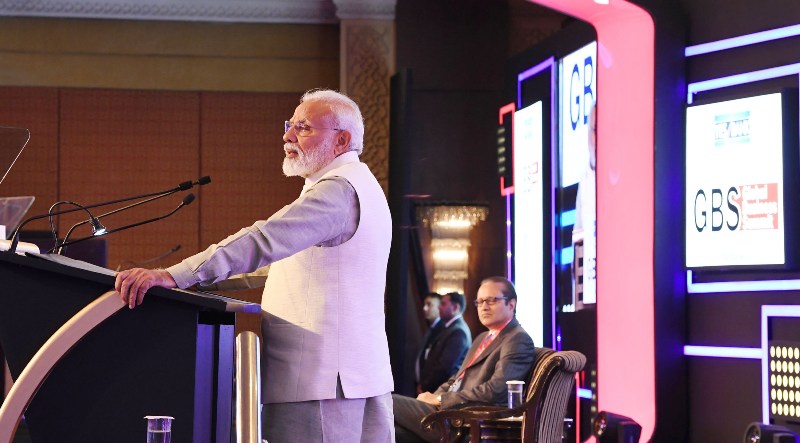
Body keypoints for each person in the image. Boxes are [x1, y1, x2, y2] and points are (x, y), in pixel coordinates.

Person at [114, 89, 395, 442]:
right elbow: (290, 263)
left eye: (304, 128)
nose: (287, 136)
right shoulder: (362, 185)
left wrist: (176, 274)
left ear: (342, 139)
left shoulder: (336, 191)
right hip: (354, 377)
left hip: (321, 382)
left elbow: (262, 241)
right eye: (289, 125)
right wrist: (196, 282)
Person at [393, 277, 536, 442]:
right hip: (445, 413)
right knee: (388, 429)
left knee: (384, 402)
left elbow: (496, 390)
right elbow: (456, 379)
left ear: (511, 304)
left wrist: (440, 400)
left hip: (462, 422)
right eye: (480, 301)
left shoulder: (517, 339)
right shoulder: (482, 337)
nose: (484, 307)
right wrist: (434, 398)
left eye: (492, 300)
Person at [417, 292, 471, 394]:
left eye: (443, 304)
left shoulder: (458, 331)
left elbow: (444, 367)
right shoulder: (450, 327)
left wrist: (426, 387)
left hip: (440, 391)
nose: (439, 308)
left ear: (455, 307)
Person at [415, 292, 442, 391]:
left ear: (440, 307)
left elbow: (439, 365)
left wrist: (425, 384)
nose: (424, 308)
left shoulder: (442, 330)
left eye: (429, 304)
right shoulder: (431, 327)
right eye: (424, 305)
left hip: (433, 388)